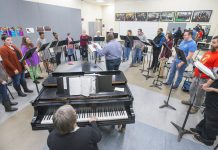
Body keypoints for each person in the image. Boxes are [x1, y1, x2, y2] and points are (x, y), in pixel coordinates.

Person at [182, 36, 218, 114]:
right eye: (212, 42)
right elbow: (201, 63)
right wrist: (194, 72)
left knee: (199, 94)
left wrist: (208, 83)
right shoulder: (208, 52)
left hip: (205, 78)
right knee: (191, 89)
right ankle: (191, 101)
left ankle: (196, 107)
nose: (211, 44)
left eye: (214, 43)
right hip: (197, 75)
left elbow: (215, 73)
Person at [191, 79, 218, 146]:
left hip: (215, 94)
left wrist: (213, 89)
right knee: (207, 114)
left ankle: (208, 140)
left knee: (213, 119)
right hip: (213, 96)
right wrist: (207, 84)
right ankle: (200, 130)